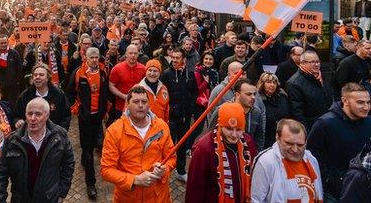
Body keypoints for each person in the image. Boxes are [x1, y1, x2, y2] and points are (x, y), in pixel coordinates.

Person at [101, 86, 176, 203]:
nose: (140, 105)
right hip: (128, 198)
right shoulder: (115, 131)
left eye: (144, 102)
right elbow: (106, 170)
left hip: (158, 197)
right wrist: (135, 180)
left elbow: (171, 157)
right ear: (127, 105)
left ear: (149, 104)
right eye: (136, 102)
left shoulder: (162, 126)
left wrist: (164, 169)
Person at [0, 98, 75, 202]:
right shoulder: (12, 141)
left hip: (49, 199)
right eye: (29, 114)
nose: (33, 118)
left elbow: (68, 164)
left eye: (38, 114)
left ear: (47, 116)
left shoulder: (60, 136)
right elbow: (1, 173)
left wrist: (62, 192)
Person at [307, 83, 371, 200]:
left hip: (365, 187)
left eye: (368, 102)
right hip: (335, 191)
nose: (366, 107)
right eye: (360, 102)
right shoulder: (325, 124)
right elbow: (313, 156)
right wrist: (330, 180)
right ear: (345, 101)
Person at [186, 102, 257, 203]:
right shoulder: (203, 149)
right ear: (220, 125)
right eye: (228, 129)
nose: (234, 134)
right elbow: (195, 189)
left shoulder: (248, 142)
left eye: (238, 129)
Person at [66, 47, 109, 199]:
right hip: (84, 118)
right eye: (91, 57)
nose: (94, 59)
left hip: (98, 117)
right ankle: (90, 184)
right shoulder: (79, 73)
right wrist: (75, 109)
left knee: (94, 144)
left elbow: (105, 93)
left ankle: (85, 157)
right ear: (85, 57)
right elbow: (70, 93)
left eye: (96, 57)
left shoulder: (103, 72)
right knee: (88, 149)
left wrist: (105, 109)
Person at [251, 119, 323, 203]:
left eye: (300, 145)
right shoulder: (266, 161)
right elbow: (256, 200)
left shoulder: (311, 160)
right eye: (289, 144)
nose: (295, 150)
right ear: (277, 138)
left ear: (306, 141)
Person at [160, 47, 198, 181]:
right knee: (168, 144)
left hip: (185, 116)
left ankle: (181, 170)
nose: (175, 60)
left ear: (184, 59)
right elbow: (161, 94)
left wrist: (191, 107)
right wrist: (169, 109)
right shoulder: (166, 74)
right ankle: (163, 169)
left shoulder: (190, 74)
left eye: (178, 58)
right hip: (171, 116)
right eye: (173, 58)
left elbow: (194, 92)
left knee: (182, 143)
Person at [208, 79, 266, 151]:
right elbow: (210, 135)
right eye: (249, 94)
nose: (253, 97)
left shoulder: (256, 113)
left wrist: (255, 156)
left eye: (254, 94)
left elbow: (259, 139)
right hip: (223, 154)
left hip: (246, 157)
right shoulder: (222, 110)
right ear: (237, 95)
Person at [14, 63, 71, 130]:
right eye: (35, 75)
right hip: (31, 135)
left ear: (47, 78)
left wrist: (61, 132)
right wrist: (17, 121)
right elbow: (16, 116)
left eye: (41, 75)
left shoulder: (59, 94)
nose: (37, 77)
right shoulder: (25, 96)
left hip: (54, 135)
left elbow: (66, 116)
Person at [285, 51, 333, 130]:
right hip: (312, 129)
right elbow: (297, 114)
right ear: (303, 63)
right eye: (312, 62)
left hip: (327, 124)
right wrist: (305, 133)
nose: (317, 64)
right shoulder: (294, 83)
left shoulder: (321, 77)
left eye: (318, 61)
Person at [108, 44, 146, 126]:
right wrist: (123, 96)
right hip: (120, 107)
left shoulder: (143, 69)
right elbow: (111, 85)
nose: (133, 55)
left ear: (138, 54)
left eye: (135, 53)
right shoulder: (117, 68)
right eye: (130, 53)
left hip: (138, 107)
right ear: (126, 54)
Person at [257, 72, 291, 148]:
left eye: (274, 83)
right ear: (262, 84)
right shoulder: (258, 100)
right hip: (266, 139)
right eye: (268, 82)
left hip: (282, 136)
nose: (272, 85)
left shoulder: (283, 97)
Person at [0, 35, 22, 104]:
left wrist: (16, 81)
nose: (4, 45)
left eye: (5, 43)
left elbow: (19, 69)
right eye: (2, 43)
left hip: (12, 87)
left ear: (8, 42)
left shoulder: (14, 54)